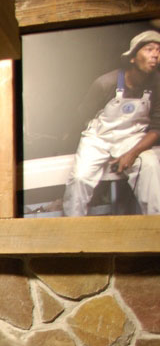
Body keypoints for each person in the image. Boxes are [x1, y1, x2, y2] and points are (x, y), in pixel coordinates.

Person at [63, 29, 160, 216]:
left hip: (132, 137)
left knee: (150, 166)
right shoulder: (105, 83)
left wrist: (131, 154)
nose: (155, 55)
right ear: (132, 58)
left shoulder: (158, 85)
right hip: (99, 137)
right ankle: (73, 228)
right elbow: (81, 117)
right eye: (149, 49)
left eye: (159, 50)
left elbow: (157, 129)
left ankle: (156, 225)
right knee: (80, 178)